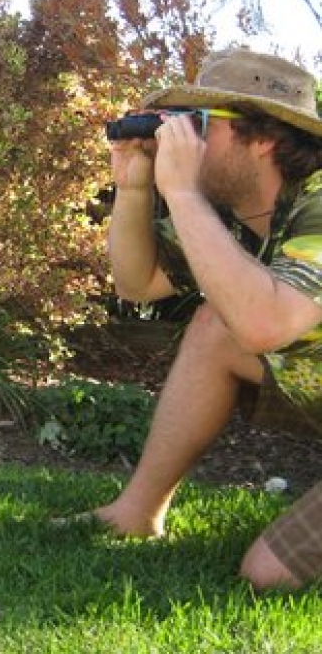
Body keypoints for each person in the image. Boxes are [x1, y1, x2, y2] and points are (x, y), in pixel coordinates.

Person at [79, 47, 322, 591]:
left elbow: (266, 325)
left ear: (263, 138)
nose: (178, 136)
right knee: (215, 327)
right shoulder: (233, 217)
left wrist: (183, 192)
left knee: (267, 576)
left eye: (198, 123)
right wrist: (136, 186)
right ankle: (135, 515)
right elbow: (137, 284)